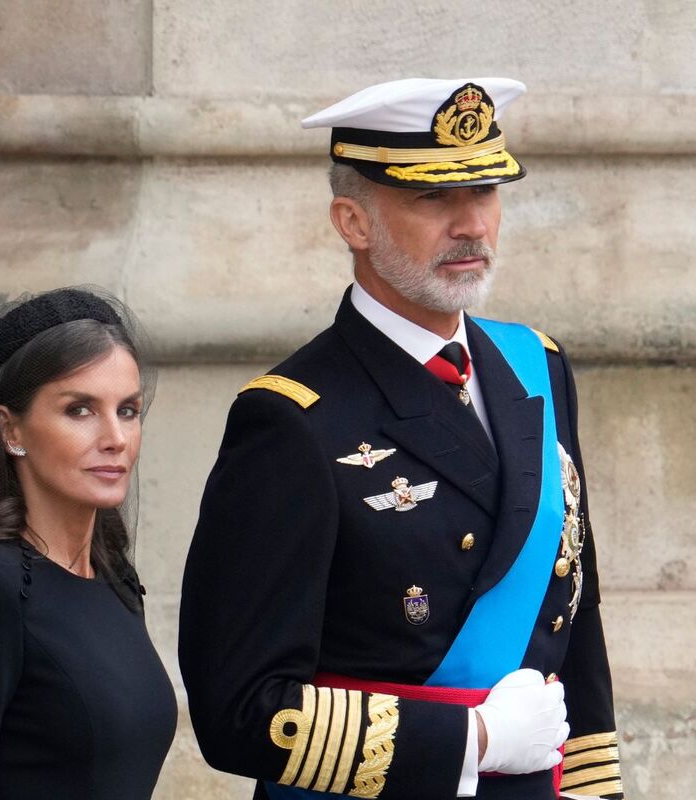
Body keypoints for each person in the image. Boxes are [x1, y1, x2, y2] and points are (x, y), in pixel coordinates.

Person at [179, 78, 624, 800]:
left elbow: (575, 618)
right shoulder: (291, 421)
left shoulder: (537, 366)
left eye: (485, 192)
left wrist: (593, 790)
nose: (471, 225)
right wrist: (471, 740)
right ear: (353, 221)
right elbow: (239, 706)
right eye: (434, 197)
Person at [0, 288, 177, 799]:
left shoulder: (112, 576)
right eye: (80, 410)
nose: (116, 437)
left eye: (128, 410)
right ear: (10, 429)